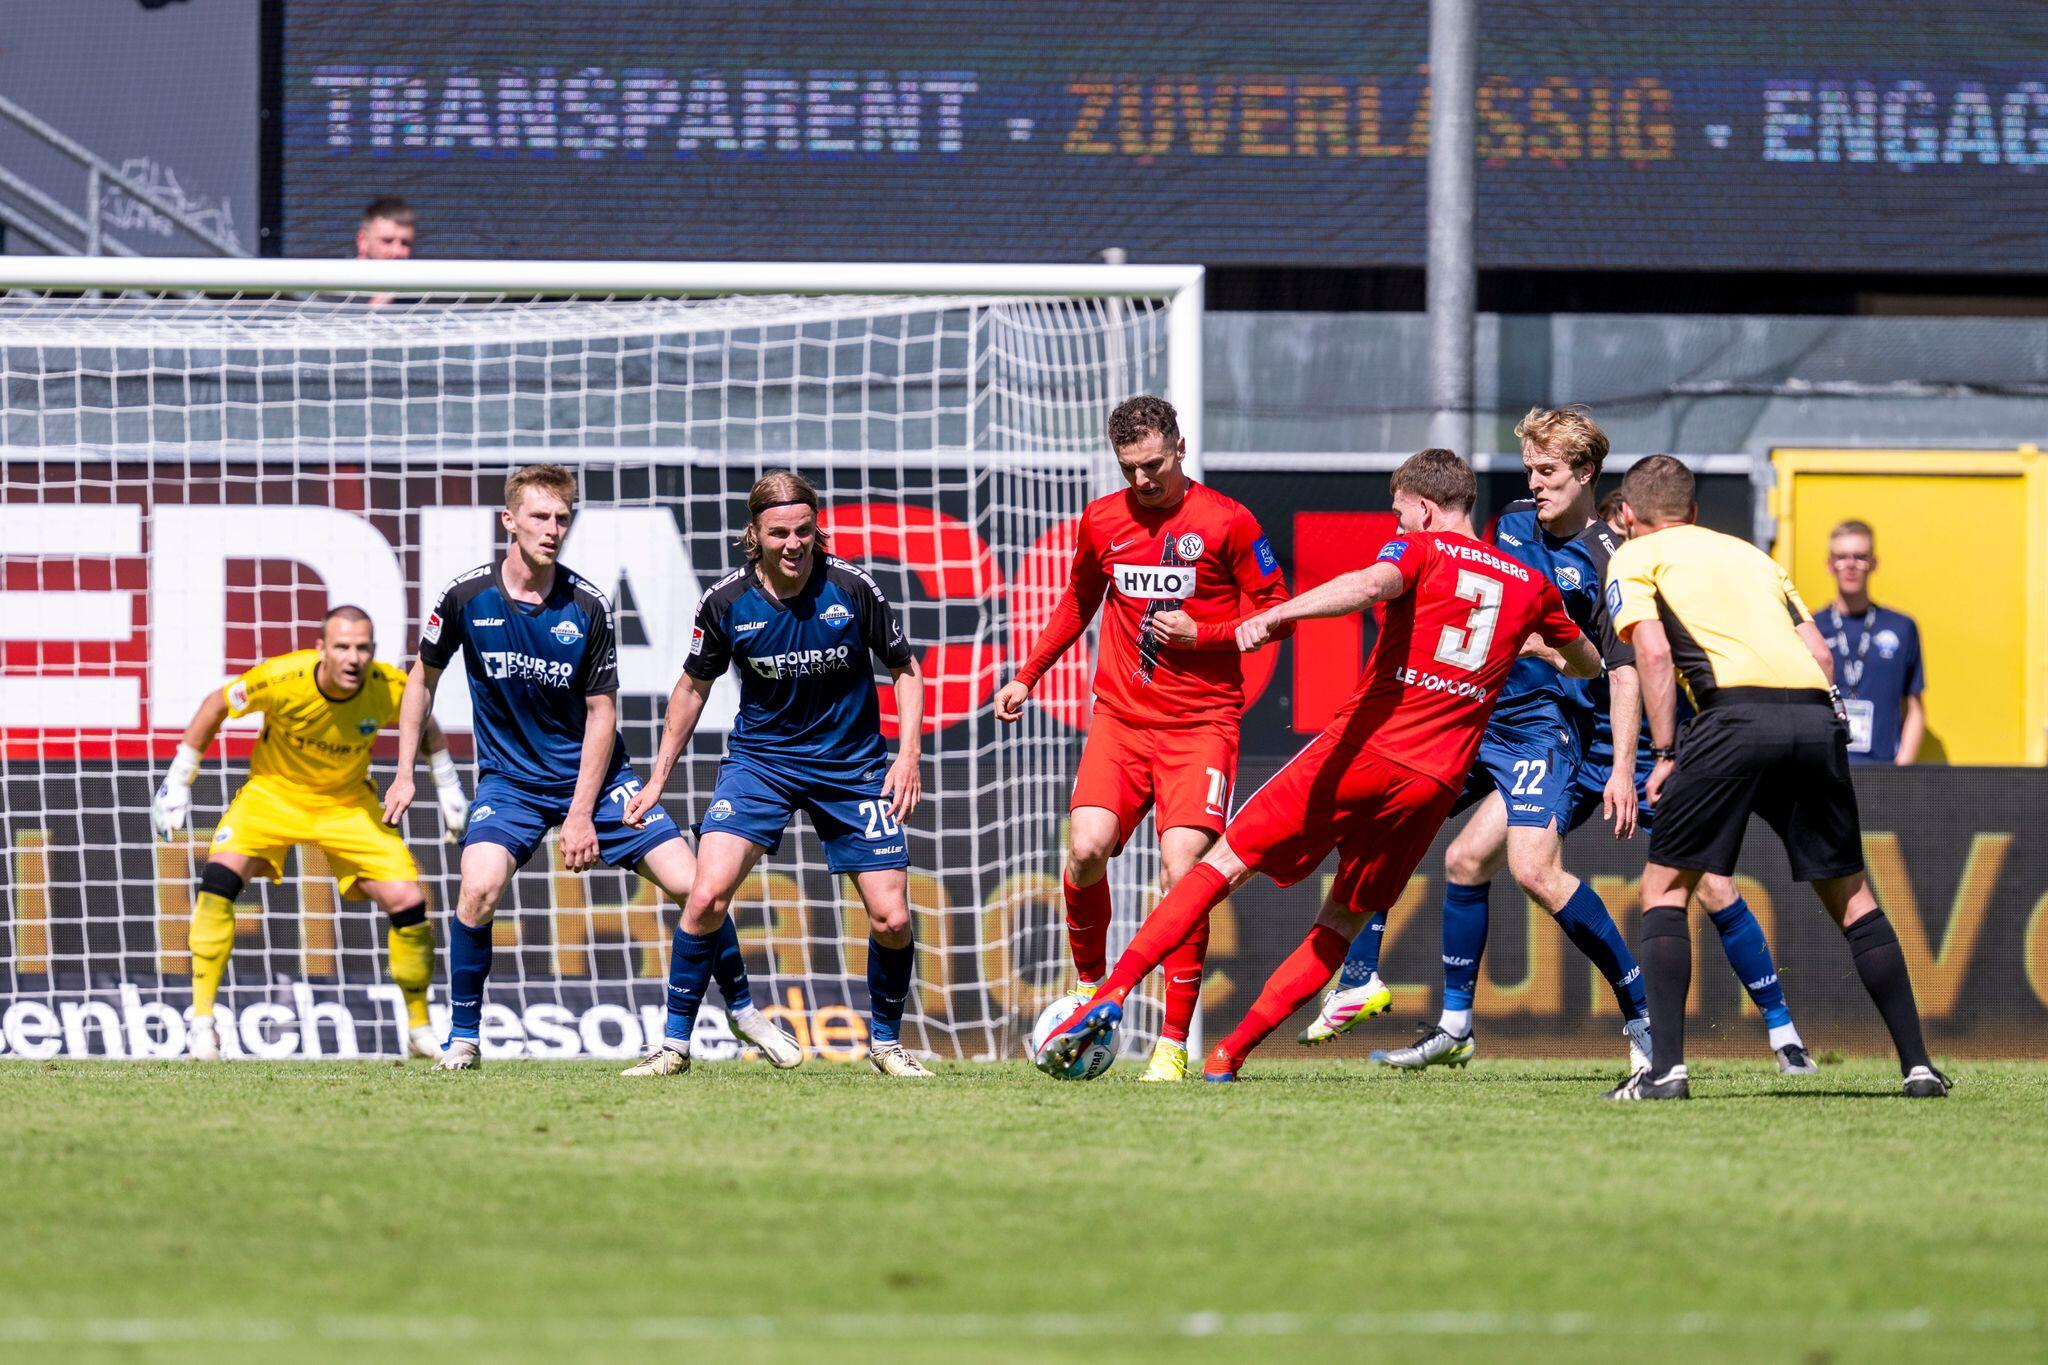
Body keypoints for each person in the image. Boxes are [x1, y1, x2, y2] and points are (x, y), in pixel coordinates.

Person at [1034, 448, 1601, 1082]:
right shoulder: (1528, 582)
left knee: (1218, 866)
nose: (1396, 525)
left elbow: (1367, 585)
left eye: (1399, 514)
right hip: (1434, 782)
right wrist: (1541, 650)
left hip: (1364, 750)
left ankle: (1112, 995)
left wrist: (1278, 613)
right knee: (1341, 921)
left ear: (1423, 508)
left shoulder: (1419, 549)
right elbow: (1586, 662)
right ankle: (1228, 1054)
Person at [385, 464, 799, 1073]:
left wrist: (581, 814)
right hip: (511, 785)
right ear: (509, 521)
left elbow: (602, 714)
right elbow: (421, 678)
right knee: (477, 888)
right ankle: (464, 1038)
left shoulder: (587, 605)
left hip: (601, 782)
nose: (552, 529)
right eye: (539, 517)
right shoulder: (466, 597)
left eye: (562, 518)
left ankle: (743, 1010)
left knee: (696, 886)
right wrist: (404, 772)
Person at [1304, 408, 1653, 1079]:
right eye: (1529, 469)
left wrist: (1623, 768)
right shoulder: (1513, 522)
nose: (1534, 482)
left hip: (1549, 731)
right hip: (1479, 717)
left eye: (1548, 471)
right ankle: (1407, 1002)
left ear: (1585, 473)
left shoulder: (1613, 559)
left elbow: (1623, 667)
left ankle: (1643, 1019)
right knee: (1423, 838)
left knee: (1533, 870)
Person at [1602, 456, 1947, 1100]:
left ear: (1626, 514)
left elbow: (1651, 651)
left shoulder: (1634, 556)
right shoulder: (1753, 556)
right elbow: (1820, 654)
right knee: (1853, 897)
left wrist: (1667, 751)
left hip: (1732, 719)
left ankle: (1666, 1072)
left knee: (1664, 888)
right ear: (1693, 512)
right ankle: (1919, 1067)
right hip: (1815, 719)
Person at [993, 394, 1292, 1082]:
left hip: (1201, 724)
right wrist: (1028, 674)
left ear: (1179, 448)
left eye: (1153, 463)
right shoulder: (1102, 519)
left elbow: (1279, 611)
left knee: (1183, 871)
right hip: (1121, 721)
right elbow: (1079, 600)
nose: (1141, 479)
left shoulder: (1229, 521)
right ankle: (1089, 990)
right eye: (1128, 466)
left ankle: (1172, 1044)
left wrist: (1204, 634)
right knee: (1085, 847)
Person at [623, 471, 932, 1079]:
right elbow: (692, 688)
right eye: (779, 533)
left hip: (852, 767)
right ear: (755, 535)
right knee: (705, 896)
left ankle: (886, 1045)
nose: (794, 544)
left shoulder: (853, 588)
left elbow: (905, 669)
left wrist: (908, 755)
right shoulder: (726, 603)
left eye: (804, 531)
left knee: (892, 918)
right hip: (761, 765)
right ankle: (673, 1047)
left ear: (817, 530)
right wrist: (658, 778)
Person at [152, 606, 468, 1061]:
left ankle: (419, 1029)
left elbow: (427, 724)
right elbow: (216, 705)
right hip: (273, 795)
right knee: (217, 882)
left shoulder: (388, 687)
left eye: (363, 648)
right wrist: (179, 779)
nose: (353, 658)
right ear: (321, 649)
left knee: (408, 900)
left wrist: (448, 784)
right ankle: (202, 1025)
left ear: (374, 651)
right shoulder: (283, 678)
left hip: (347, 804)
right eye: (342, 647)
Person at [1821, 520, 1925, 766]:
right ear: (1829, 565)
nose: (1850, 565)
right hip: (1826, 771)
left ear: (1874, 563)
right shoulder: (1813, 628)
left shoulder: (1901, 627)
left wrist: (1902, 767)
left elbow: (1915, 708)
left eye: (1860, 557)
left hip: (1883, 771)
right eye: (1841, 557)